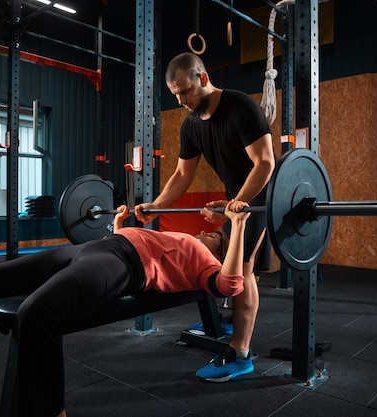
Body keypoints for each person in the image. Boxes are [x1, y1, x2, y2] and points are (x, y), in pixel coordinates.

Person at [0, 200, 250, 417]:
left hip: (124, 264)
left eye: (212, 236)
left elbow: (231, 285)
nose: (203, 232)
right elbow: (143, 241)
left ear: (219, 253)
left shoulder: (207, 264)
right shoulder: (185, 240)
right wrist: (120, 224)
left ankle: (51, 411)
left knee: (37, 311)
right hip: (98, 247)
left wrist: (237, 227)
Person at [134, 52, 275, 382]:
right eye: (175, 95)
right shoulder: (192, 125)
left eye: (185, 91)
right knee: (214, 252)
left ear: (203, 78)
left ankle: (241, 354)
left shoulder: (240, 108)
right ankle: (226, 322)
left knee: (241, 270)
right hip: (235, 200)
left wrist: (238, 202)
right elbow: (182, 175)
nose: (182, 100)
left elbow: (266, 163)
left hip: (261, 197)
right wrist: (156, 206)